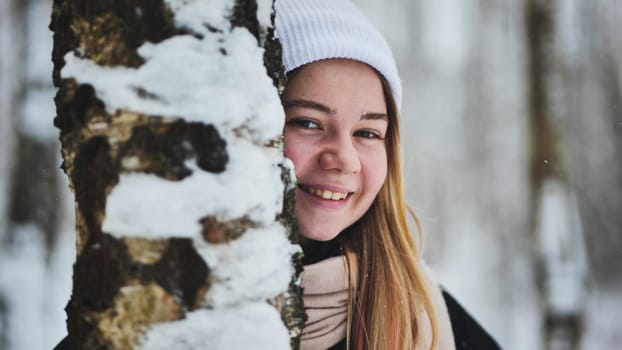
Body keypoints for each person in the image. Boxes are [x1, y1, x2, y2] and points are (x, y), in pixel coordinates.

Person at [275, 0, 502, 349]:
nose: (344, 159)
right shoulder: (178, 293)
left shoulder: (423, 316)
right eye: (308, 123)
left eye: (367, 133)